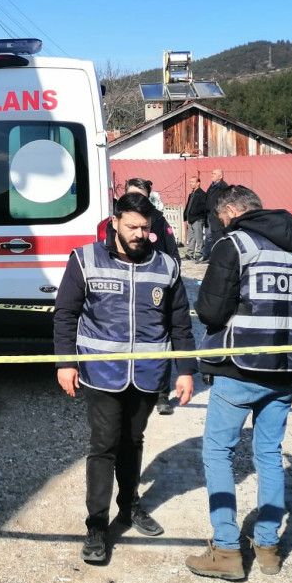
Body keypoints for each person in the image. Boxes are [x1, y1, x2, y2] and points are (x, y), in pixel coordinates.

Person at [54, 192, 197, 565]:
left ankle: (129, 506)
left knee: (133, 441)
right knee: (103, 445)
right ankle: (96, 525)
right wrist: (65, 363)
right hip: (102, 373)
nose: (138, 234)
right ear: (115, 222)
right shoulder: (85, 260)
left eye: (145, 228)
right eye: (132, 226)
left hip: (148, 375)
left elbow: (180, 321)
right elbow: (65, 315)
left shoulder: (165, 266)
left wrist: (185, 370)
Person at [185, 186, 292, 581]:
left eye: (221, 217)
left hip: (241, 368)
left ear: (230, 211)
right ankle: (268, 546)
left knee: (218, 453)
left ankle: (226, 549)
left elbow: (209, 307)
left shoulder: (237, 244)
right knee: (269, 455)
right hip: (288, 369)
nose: (220, 223)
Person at [123, 177, 181, 415]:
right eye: (130, 194)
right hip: (127, 289)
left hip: (155, 290)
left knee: (159, 340)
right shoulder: (116, 220)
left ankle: (161, 393)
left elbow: (173, 255)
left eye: (140, 194)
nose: (135, 199)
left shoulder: (158, 220)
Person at [200, 168, 228, 260]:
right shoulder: (211, 186)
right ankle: (206, 255)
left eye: (215, 174)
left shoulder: (223, 186)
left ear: (220, 176)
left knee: (217, 235)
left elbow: (225, 201)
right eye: (212, 173)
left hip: (217, 215)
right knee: (208, 236)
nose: (212, 175)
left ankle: (217, 256)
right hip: (209, 215)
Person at [183, 175, 207, 260]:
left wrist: (195, 214)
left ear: (198, 183)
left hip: (197, 219)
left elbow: (203, 208)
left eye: (193, 182)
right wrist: (185, 216)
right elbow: (188, 206)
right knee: (191, 237)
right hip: (190, 219)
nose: (191, 184)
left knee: (198, 237)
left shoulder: (202, 194)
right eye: (190, 182)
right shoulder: (192, 194)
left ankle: (199, 254)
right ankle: (190, 254)